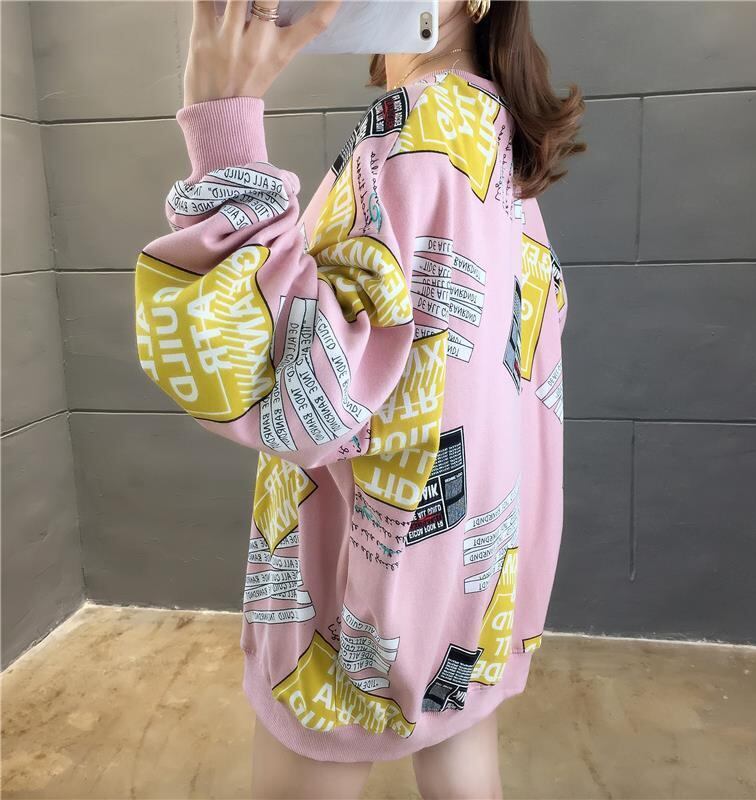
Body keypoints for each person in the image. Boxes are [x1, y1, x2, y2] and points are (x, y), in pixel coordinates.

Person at [133, 0, 584, 796]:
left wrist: (222, 129)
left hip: (359, 603)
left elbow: (298, 389)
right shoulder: (487, 134)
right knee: (460, 754)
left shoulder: (415, 136)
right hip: (464, 588)